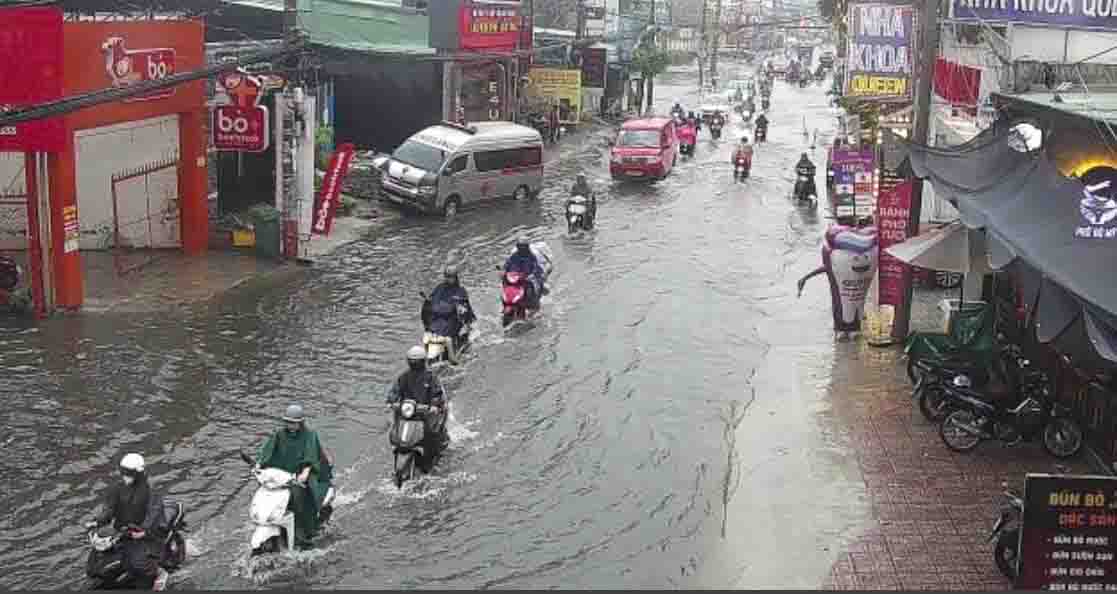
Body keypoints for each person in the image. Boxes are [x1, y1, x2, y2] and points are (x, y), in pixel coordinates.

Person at [88, 453, 171, 591]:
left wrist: (143, 530)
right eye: (124, 473)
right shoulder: (117, 489)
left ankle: (158, 572)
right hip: (121, 532)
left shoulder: (150, 492)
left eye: (128, 473)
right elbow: (109, 509)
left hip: (144, 536)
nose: (125, 476)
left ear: (137, 473)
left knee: (137, 564)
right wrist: (97, 521)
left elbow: (153, 514)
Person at [256, 404, 333, 549]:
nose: (290, 425)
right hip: (282, 474)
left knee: (300, 497)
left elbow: (311, 454)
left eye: (293, 422)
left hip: (303, 475)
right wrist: (259, 464)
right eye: (287, 422)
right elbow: (267, 450)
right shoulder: (279, 434)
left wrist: (305, 471)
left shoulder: (310, 434)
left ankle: (304, 532)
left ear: (300, 422)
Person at [386, 346, 449, 468]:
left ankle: (435, 453)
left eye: (417, 360)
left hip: (425, 415)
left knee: (433, 434)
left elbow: (437, 393)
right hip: (407, 415)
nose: (414, 363)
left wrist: (434, 405)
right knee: (393, 430)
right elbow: (395, 391)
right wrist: (391, 401)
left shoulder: (431, 377)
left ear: (422, 361)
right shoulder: (403, 377)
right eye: (412, 360)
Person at [503, 236, 545, 308]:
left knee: (530, 289)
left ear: (527, 247)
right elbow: (507, 265)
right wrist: (503, 271)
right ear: (518, 247)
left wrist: (532, 275)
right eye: (520, 246)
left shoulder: (532, 256)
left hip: (527, 279)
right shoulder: (514, 256)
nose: (522, 248)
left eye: (523, 246)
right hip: (515, 279)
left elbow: (536, 267)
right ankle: (506, 303)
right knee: (505, 284)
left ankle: (534, 305)